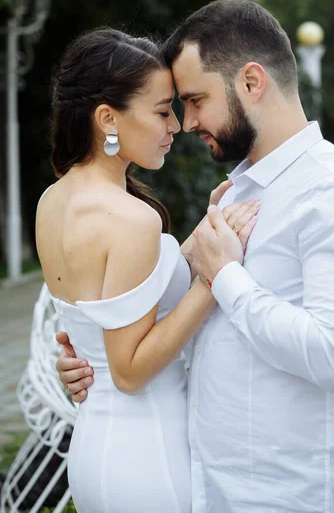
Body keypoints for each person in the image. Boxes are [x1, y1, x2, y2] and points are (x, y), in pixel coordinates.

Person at [57, 0, 334, 513]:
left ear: (252, 82)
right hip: (208, 490)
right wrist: (94, 362)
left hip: (291, 500)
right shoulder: (235, 193)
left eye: (195, 99)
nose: (186, 121)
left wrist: (227, 280)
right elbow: (205, 338)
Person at [36, 27, 259, 513]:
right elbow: (131, 370)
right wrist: (214, 278)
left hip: (96, 449)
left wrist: (200, 238)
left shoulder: (53, 201)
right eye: (161, 112)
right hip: (149, 457)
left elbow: (118, 299)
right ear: (107, 118)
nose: (176, 126)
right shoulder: (130, 219)